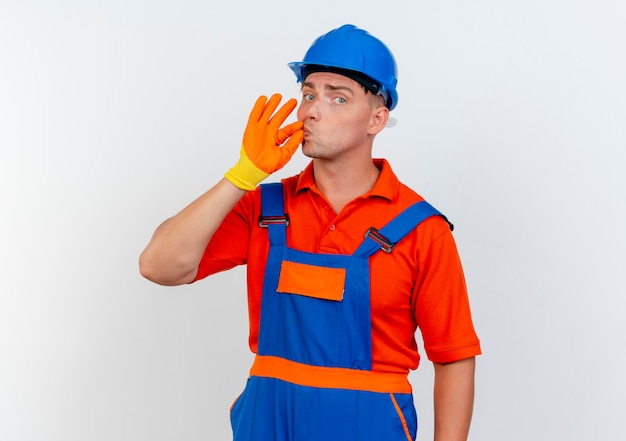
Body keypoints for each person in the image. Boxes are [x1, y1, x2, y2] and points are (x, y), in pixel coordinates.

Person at [139, 24, 481, 441]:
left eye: (338, 97)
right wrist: (242, 175)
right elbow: (159, 265)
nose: (313, 111)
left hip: (369, 424)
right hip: (269, 421)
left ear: (377, 118)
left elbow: (454, 357)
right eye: (309, 94)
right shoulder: (265, 211)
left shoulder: (420, 229)